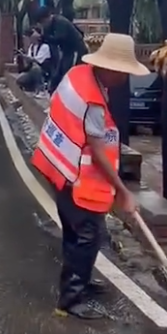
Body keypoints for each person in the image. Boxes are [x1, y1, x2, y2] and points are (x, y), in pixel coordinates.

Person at [31, 33, 148, 319]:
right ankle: (70, 299)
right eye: (122, 73)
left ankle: (80, 280)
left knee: (77, 233)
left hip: (59, 166)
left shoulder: (79, 75)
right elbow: (97, 149)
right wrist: (121, 190)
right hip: (76, 176)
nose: (124, 79)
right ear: (109, 68)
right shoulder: (93, 98)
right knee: (88, 237)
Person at [35, 7, 89, 94]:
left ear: (48, 17)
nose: (43, 25)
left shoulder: (60, 22)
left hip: (76, 50)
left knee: (69, 75)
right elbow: (49, 42)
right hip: (66, 51)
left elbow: (59, 38)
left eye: (43, 22)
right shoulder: (47, 27)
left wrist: (43, 38)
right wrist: (41, 38)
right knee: (58, 75)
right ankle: (54, 94)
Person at [16, 26, 53, 92]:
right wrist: (23, 57)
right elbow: (29, 61)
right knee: (20, 79)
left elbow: (38, 60)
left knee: (36, 68)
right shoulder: (32, 47)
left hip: (43, 71)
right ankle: (31, 88)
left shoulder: (45, 47)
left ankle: (41, 89)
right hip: (32, 70)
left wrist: (27, 57)